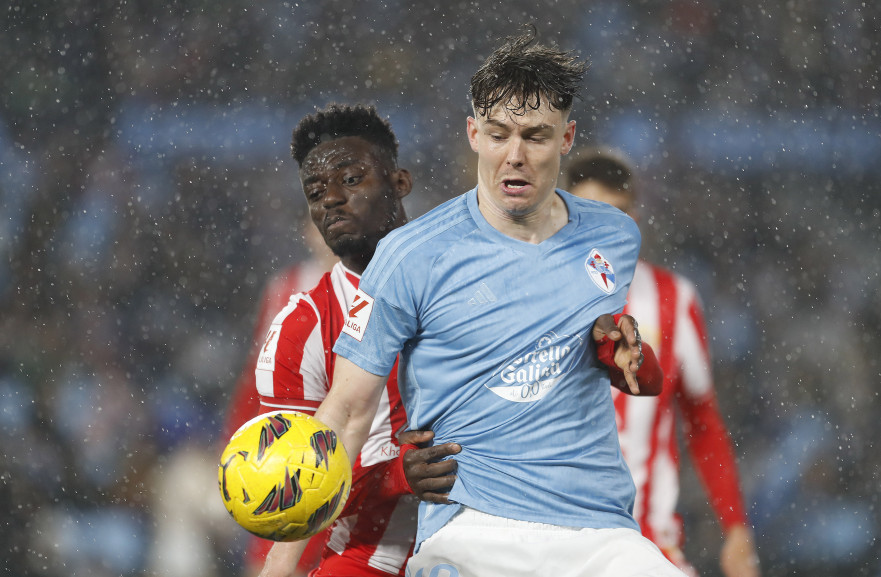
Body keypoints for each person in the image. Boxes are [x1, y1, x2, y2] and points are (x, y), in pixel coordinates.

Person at [312, 31, 686, 577]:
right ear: (473, 133)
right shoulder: (411, 256)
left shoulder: (614, 236)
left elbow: (616, 355)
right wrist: (291, 531)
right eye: (498, 134)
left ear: (566, 138)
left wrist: (620, 350)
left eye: (536, 136)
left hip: (602, 536)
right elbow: (345, 411)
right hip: (471, 533)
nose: (515, 155)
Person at [564, 147, 761, 577]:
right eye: (589, 213)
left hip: (647, 543)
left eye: (615, 214)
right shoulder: (538, 297)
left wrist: (736, 529)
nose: (604, 228)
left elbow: (703, 420)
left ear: (634, 218)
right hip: (557, 541)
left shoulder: (674, 300)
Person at [249, 104, 422, 577]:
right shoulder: (299, 328)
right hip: (372, 560)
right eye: (315, 190)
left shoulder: (469, 279)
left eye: (350, 180)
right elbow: (294, 489)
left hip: (499, 543)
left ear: (399, 183)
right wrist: (393, 477)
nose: (331, 200)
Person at [223, 213, 338, 576]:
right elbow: (256, 376)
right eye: (320, 223)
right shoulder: (284, 287)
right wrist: (235, 441)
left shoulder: (374, 287)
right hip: (283, 443)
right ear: (307, 232)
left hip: (341, 436)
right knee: (274, 548)